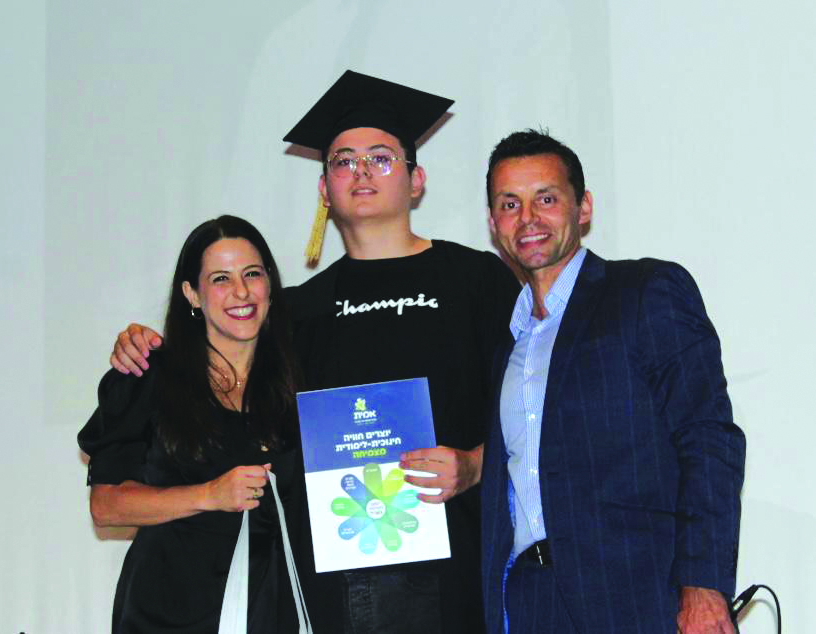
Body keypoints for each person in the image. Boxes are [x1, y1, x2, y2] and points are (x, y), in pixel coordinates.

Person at [108, 71, 520, 633]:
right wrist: (142, 341)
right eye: (344, 162)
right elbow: (215, 358)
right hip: (332, 582)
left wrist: (473, 465)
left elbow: (532, 409)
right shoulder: (295, 312)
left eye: (380, 158)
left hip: (456, 567)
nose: (362, 172)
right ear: (325, 189)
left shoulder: (476, 281)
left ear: (416, 179)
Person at [479, 129, 746, 633]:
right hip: (532, 602)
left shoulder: (644, 291)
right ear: (494, 224)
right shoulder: (507, 347)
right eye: (510, 204)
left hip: (637, 596)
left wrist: (703, 584)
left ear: (583, 208)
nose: (528, 217)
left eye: (546, 199)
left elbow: (707, 437)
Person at [79, 215, 306, 633]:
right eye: (220, 279)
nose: (241, 291)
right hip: (170, 612)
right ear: (192, 294)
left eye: (252, 274)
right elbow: (106, 506)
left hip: (273, 609)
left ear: (271, 284)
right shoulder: (149, 377)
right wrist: (209, 494)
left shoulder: (301, 378)